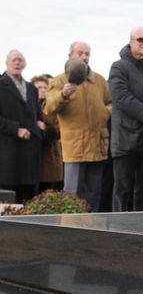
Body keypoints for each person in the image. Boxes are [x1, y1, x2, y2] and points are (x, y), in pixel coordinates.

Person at [45, 41, 112, 211]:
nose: (84, 57)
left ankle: (92, 231)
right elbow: (48, 108)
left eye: (87, 54)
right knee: (72, 194)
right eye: (80, 53)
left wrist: (104, 112)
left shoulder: (100, 80)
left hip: (97, 145)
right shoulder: (60, 80)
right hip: (74, 147)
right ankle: (71, 231)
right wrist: (62, 95)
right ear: (70, 56)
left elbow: (111, 103)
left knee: (94, 193)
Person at [109, 27, 143, 211]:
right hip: (126, 139)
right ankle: (118, 233)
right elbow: (123, 98)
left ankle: (142, 235)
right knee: (122, 191)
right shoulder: (119, 66)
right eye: (140, 39)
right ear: (130, 42)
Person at [0, 50, 45, 203]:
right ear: (7, 63)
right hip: (8, 152)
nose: (17, 63)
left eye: (20, 60)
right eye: (14, 60)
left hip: (29, 152)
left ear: (25, 64)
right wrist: (16, 129)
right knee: (8, 200)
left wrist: (39, 122)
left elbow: (37, 114)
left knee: (27, 199)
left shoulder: (31, 88)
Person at [32, 75, 63, 192]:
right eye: (39, 87)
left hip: (50, 159)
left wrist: (44, 127)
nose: (42, 90)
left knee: (47, 195)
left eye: (45, 87)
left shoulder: (53, 108)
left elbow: (59, 129)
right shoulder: (26, 107)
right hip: (31, 160)